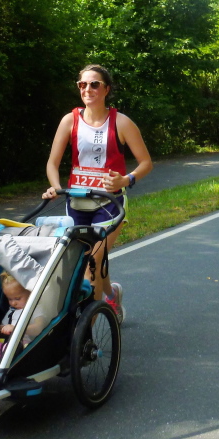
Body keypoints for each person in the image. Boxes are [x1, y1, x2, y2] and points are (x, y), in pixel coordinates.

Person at [43, 64, 152, 323]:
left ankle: (86, 334)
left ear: (106, 89)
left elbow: (146, 163)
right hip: (77, 203)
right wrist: (55, 186)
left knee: (91, 263)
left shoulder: (121, 122)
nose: (88, 89)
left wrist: (126, 179)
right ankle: (111, 295)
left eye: (94, 84)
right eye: (83, 84)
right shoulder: (69, 120)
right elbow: (52, 163)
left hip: (110, 204)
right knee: (88, 260)